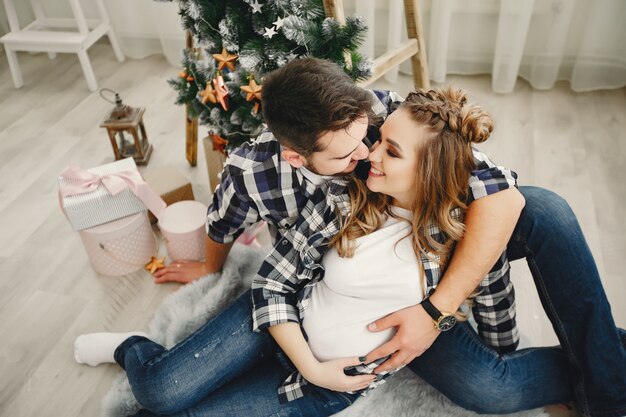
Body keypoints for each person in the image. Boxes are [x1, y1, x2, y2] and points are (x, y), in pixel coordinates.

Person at [74, 78, 626, 417]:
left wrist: (434, 314)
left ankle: (610, 371)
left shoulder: (400, 133)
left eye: (376, 140)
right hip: (291, 326)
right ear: (298, 157)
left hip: (343, 378)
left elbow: (501, 196)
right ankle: (133, 346)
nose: (366, 156)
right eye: (351, 152)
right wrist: (209, 270)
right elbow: (250, 252)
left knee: (545, 214)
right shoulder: (338, 197)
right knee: (162, 394)